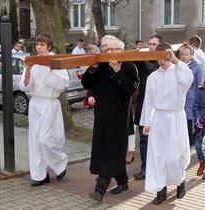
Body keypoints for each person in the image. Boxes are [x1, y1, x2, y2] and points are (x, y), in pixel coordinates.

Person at [81, 35, 139, 202]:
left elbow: (130, 90)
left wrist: (118, 73)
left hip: (120, 117)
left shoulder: (129, 66)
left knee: (111, 152)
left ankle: (100, 190)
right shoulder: (99, 65)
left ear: (120, 50)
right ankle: (122, 181)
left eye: (111, 48)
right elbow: (87, 84)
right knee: (109, 151)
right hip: (102, 116)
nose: (107, 51)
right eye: (104, 47)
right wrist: (91, 69)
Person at [140, 42, 193, 205]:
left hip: (176, 117)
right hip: (159, 119)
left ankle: (180, 182)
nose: (161, 61)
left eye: (164, 57)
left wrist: (176, 60)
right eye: (158, 58)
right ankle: (160, 190)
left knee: (174, 156)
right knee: (158, 156)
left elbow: (189, 77)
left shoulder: (179, 72)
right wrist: (146, 122)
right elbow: (148, 100)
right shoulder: (152, 77)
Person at [19, 33, 69, 187]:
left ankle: (60, 164)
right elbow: (23, 86)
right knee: (35, 141)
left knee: (45, 139)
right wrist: (27, 70)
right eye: (37, 44)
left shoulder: (56, 61)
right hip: (35, 104)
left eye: (42, 44)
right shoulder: (32, 61)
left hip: (49, 103)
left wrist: (49, 69)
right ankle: (40, 174)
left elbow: (62, 84)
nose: (39, 47)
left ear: (49, 46)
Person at [133, 34, 162, 180]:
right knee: (143, 139)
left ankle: (157, 167)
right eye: (149, 44)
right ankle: (145, 167)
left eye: (154, 44)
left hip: (158, 108)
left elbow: (155, 71)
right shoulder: (143, 61)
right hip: (142, 104)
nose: (151, 47)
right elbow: (134, 71)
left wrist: (144, 60)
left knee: (156, 139)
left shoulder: (162, 62)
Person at [179, 45, 203, 146]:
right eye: (182, 55)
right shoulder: (178, 65)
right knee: (180, 118)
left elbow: (199, 83)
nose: (183, 56)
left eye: (186, 54)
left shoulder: (196, 68)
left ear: (191, 56)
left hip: (190, 96)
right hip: (179, 95)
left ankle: (190, 139)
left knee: (189, 118)